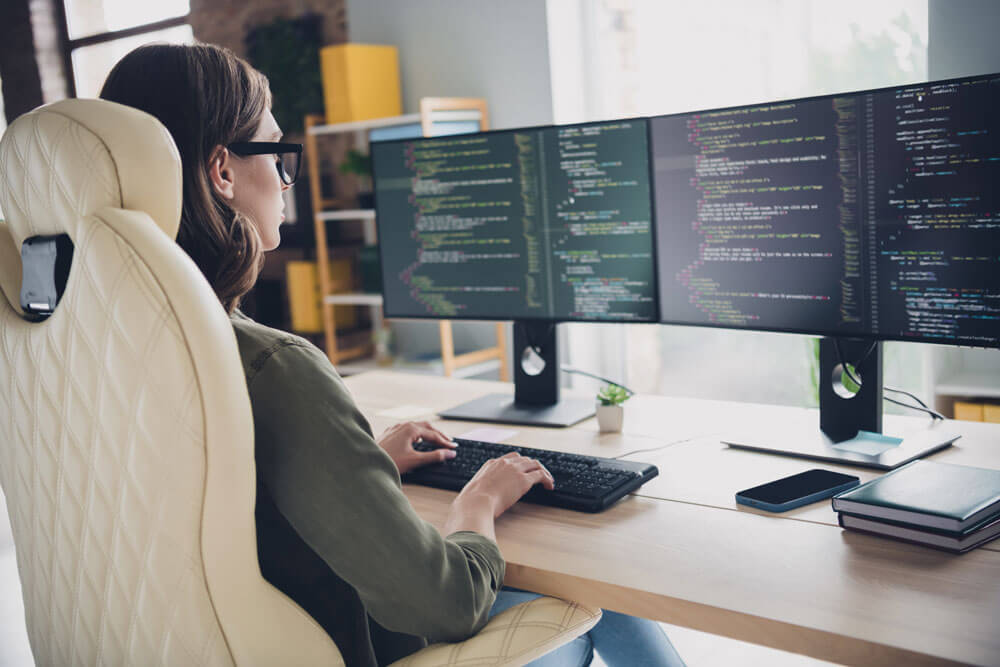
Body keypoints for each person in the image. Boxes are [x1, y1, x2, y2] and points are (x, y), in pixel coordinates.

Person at [99, 42, 683, 667]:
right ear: (222, 172)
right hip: (353, 648)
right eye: (277, 154)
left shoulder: (108, 354)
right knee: (597, 593)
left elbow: (228, 516)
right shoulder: (273, 368)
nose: (286, 180)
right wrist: (478, 499)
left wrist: (361, 469)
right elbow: (444, 604)